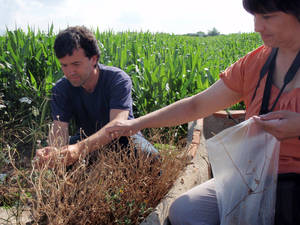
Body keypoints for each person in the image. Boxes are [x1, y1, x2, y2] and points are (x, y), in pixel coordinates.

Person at [106, 0, 300, 224]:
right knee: (185, 211)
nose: (257, 27)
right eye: (255, 16)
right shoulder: (256, 63)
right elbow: (196, 106)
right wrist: (136, 124)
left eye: (267, 17)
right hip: (255, 175)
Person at [35, 25, 158, 167]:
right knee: (62, 161)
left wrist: (79, 149)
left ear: (93, 59)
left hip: (123, 137)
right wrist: (54, 153)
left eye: (76, 64)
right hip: (86, 137)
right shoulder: (61, 89)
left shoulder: (117, 79)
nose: (70, 72)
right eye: (64, 65)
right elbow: (59, 129)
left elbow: (117, 125)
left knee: (150, 157)